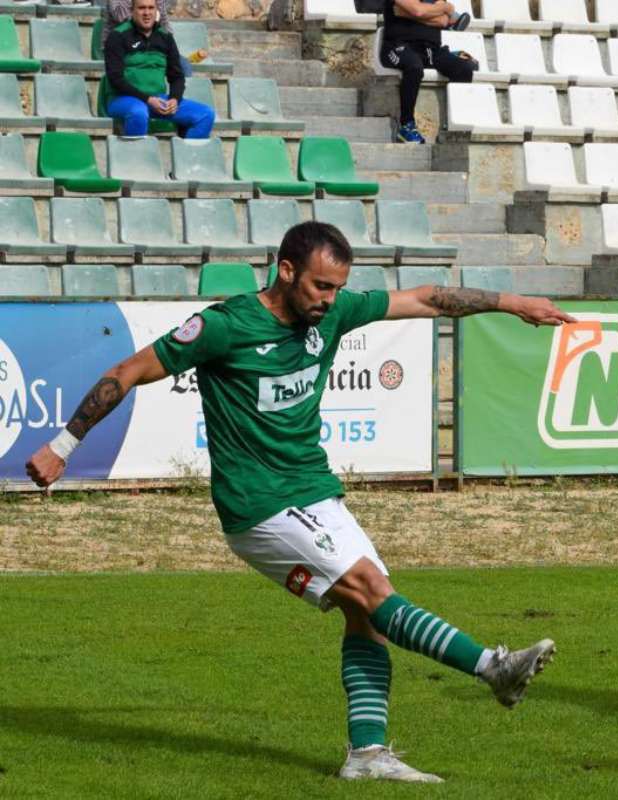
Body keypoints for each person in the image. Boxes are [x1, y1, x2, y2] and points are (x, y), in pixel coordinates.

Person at [25, 222, 575, 783]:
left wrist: (515, 303)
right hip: (258, 506)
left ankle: (366, 757)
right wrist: (63, 446)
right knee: (370, 589)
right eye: (320, 286)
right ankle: (492, 667)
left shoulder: (333, 312)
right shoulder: (225, 325)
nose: (329, 299)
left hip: (313, 490)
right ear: (285, 271)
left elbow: (426, 298)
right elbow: (129, 370)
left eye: (337, 288)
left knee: (368, 616)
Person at [100, 0, 214, 138]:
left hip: (157, 100)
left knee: (206, 115)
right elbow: (115, 79)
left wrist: (174, 99)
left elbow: (177, 76)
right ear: (132, 11)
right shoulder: (117, 36)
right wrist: (147, 99)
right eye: (141, 8)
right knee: (138, 112)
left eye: (151, 8)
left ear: (157, 10)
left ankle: (185, 158)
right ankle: (137, 158)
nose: (147, 13)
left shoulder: (165, 37)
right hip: (122, 99)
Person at [380, 0, 475, 143]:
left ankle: (451, 127)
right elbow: (419, 11)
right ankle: (406, 126)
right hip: (399, 46)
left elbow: (443, 21)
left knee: (464, 68)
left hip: (431, 50)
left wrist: (411, 13)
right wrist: (445, 8)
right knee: (414, 67)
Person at [99, 0, 195, 76]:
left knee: (184, 66)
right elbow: (120, 16)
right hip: (122, 45)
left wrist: (170, 45)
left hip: (151, 44)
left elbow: (164, 20)